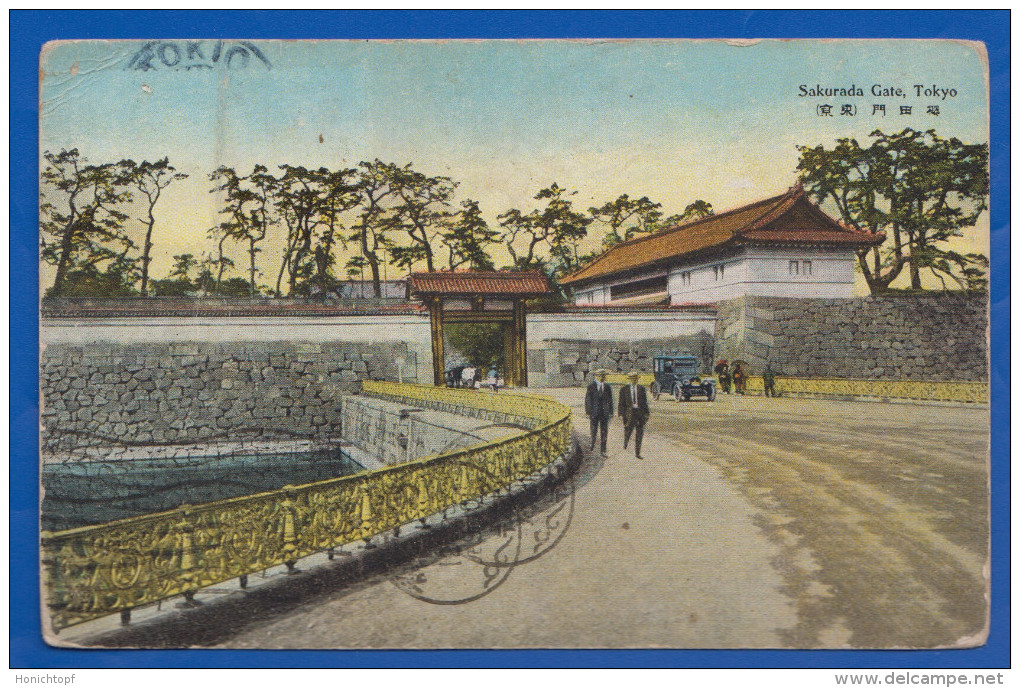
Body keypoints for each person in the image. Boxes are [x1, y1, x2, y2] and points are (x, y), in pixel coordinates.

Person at [619, 370, 650, 459]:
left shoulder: (642, 389)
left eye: (635, 379)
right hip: (629, 414)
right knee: (628, 431)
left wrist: (647, 414)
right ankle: (625, 446)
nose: (634, 380)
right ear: (629, 379)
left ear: (637, 379)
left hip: (640, 413)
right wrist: (621, 415)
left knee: (639, 433)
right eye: (632, 379)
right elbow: (621, 404)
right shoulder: (624, 389)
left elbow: (645, 403)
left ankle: (637, 453)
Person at [584, 369, 614, 455]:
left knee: (604, 431)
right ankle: (592, 445)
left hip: (604, 413)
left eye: (604, 376)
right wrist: (588, 412)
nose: (602, 377)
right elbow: (588, 400)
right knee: (593, 430)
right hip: (594, 413)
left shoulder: (607, 387)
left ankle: (603, 450)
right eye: (600, 375)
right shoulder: (591, 386)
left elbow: (610, 400)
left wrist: (611, 412)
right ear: (596, 376)